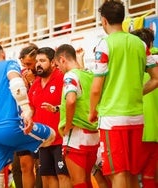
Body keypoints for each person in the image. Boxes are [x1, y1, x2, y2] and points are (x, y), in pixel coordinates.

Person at [89, 1, 158, 188]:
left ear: (104, 20)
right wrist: (136, 93)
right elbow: (156, 79)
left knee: (118, 171)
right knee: (133, 172)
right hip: (137, 117)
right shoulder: (140, 44)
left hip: (112, 118)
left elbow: (96, 88)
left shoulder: (104, 45)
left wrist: (92, 111)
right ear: (123, 18)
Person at [0, 42, 55, 188]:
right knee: (52, 135)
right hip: (12, 126)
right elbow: (16, 83)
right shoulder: (8, 64)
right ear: (3, 54)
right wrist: (26, 109)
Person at [55, 44, 99, 188]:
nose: (58, 70)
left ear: (62, 60)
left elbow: (71, 100)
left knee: (78, 182)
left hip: (76, 135)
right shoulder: (89, 74)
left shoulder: (70, 75)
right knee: (86, 180)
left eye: (57, 65)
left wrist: (67, 126)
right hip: (93, 135)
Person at [28, 47, 71, 188]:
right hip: (44, 140)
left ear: (53, 62)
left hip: (61, 139)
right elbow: (30, 107)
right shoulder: (35, 84)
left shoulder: (62, 78)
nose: (38, 64)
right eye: (37, 61)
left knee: (63, 175)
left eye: (42, 61)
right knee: (47, 177)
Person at [130, 28, 158, 188]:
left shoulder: (137, 65)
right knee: (150, 177)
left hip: (139, 129)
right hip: (154, 132)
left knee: (130, 175)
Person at [12, 43, 42, 188]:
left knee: (40, 165)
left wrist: (31, 82)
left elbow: (38, 100)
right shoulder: (23, 74)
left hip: (40, 124)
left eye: (29, 64)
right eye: (24, 64)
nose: (27, 67)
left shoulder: (43, 74)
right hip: (24, 124)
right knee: (24, 166)